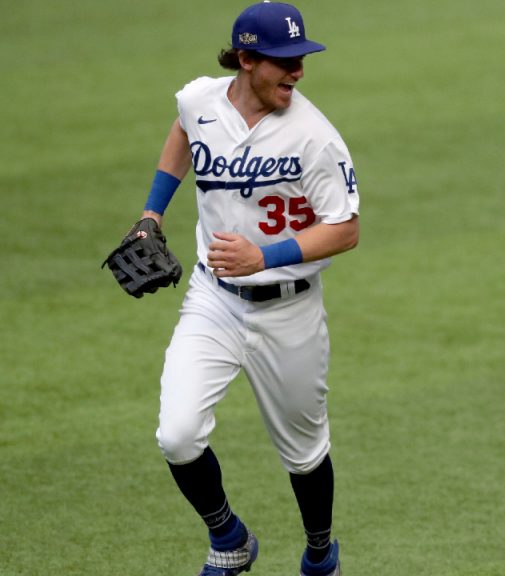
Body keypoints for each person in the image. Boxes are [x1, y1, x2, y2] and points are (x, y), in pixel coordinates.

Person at [134, 3, 359, 575]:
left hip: (291, 310)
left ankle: (319, 552)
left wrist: (266, 255)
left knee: (305, 454)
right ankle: (229, 539)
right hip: (213, 301)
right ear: (246, 59)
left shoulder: (315, 138)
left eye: (301, 60)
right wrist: (151, 214)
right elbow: (184, 131)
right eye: (285, 62)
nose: (298, 73)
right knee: (177, 435)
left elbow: (345, 229)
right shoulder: (200, 100)